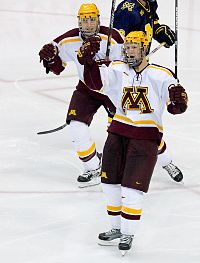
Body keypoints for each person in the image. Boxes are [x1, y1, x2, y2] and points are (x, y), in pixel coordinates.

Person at [81, 31, 188, 254]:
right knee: (109, 183)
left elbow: (174, 104)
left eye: (134, 47)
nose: (128, 51)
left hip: (146, 138)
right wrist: (89, 62)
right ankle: (116, 228)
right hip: (117, 132)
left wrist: (178, 101)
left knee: (132, 188)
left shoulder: (161, 74)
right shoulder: (116, 69)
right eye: (127, 46)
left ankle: (128, 232)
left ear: (144, 48)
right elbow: (95, 84)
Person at [39, 3, 124, 188]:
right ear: (79, 21)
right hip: (87, 88)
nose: (88, 24)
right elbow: (57, 67)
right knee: (76, 126)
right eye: (84, 20)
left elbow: (128, 67)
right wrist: (50, 58)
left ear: (98, 19)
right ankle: (93, 166)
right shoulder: (68, 40)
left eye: (91, 19)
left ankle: (123, 162)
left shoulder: (113, 37)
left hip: (113, 90)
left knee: (118, 132)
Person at [113, 0, 183, 182]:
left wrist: (160, 32)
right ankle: (114, 165)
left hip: (141, 70)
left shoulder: (149, 3)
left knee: (145, 123)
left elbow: (151, 25)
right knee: (120, 123)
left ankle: (165, 160)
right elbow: (115, 43)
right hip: (125, 73)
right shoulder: (127, 10)